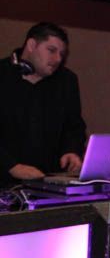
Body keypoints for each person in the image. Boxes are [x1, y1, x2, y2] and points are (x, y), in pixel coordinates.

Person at [0, 21, 85, 184]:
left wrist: (71, 151)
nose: (58, 59)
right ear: (31, 45)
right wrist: (11, 166)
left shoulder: (67, 81)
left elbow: (74, 126)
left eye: (62, 53)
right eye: (51, 50)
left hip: (47, 183)